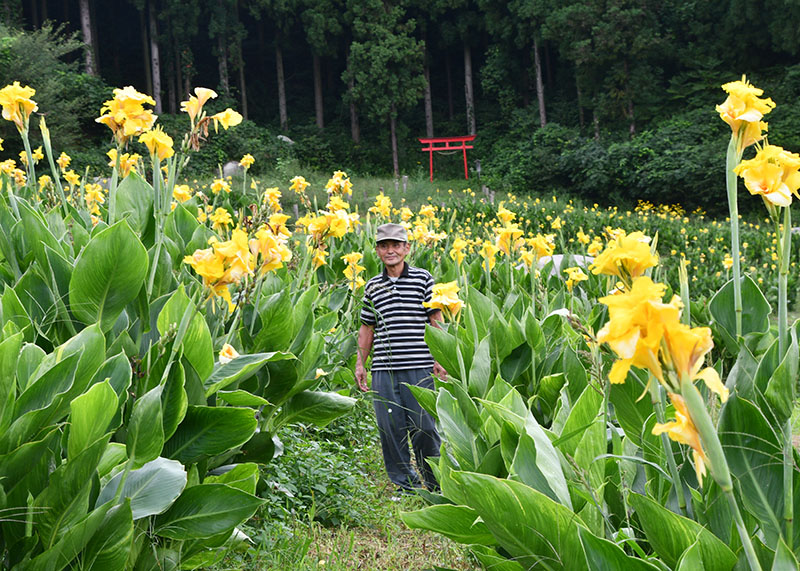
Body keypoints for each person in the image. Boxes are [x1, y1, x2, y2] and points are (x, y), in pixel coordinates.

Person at [355, 223, 445, 494]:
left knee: (425, 427)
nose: (390, 250)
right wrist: (361, 363)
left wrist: (441, 358)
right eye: (384, 246)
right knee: (390, 429)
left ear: (407, 248)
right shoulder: (372, 286)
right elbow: (367, 327)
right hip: (385, 369)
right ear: (377, 251)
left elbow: (436, 320)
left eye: (396, 245)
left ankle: (434, 482)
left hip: (419, 366)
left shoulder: (423, 279)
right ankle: (405, 485)